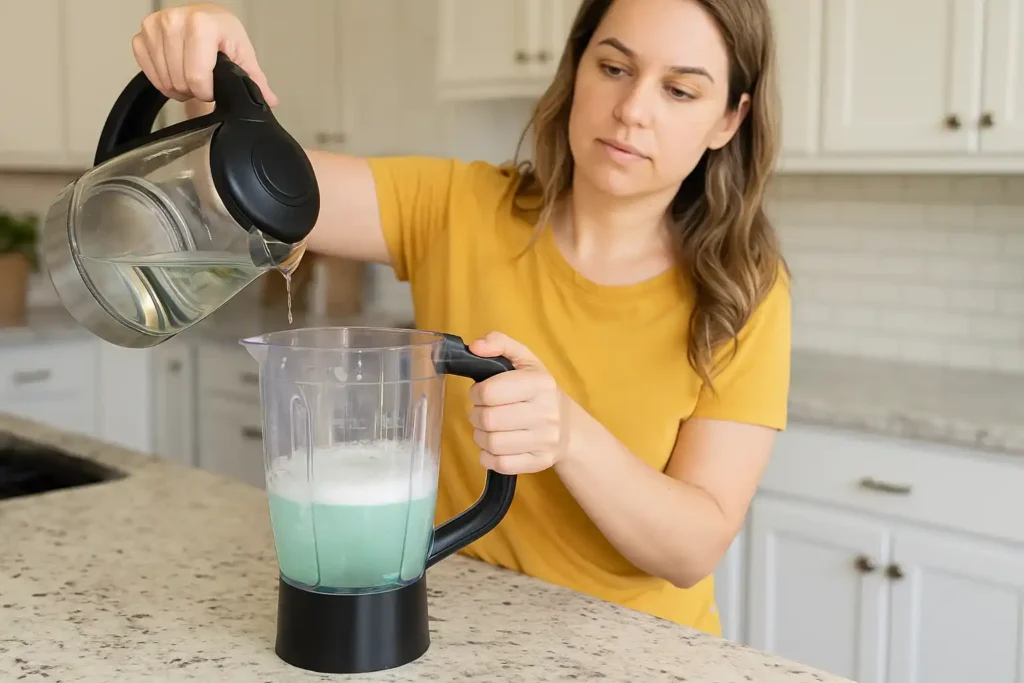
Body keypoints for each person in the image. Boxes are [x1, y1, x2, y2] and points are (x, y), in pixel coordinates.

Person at [131, 0, 791, 636]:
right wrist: (214, 73)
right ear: (577, 66)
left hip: (638, 645)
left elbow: (693, 548)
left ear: (728, 121)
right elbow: (248, 194)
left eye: (681, 91)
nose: (632, 110)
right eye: (614, 68)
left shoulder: (742, 290)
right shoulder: (460, 206)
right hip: (462, 623)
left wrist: (570, 437)